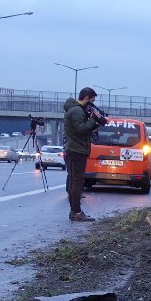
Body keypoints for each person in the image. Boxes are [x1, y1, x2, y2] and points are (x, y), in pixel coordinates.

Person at [62, 87, 106, 221]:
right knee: (77, 182)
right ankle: (76, 212)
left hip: (75, 149)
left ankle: (74, 211)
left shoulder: (76, 110)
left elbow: (82, 129)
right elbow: (80, 129)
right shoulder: (76, 111)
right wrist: (92, 119)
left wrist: (95, 123)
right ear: (86, 98)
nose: (92, 104)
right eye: (91, 100)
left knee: (74, 180)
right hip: (77, 150)